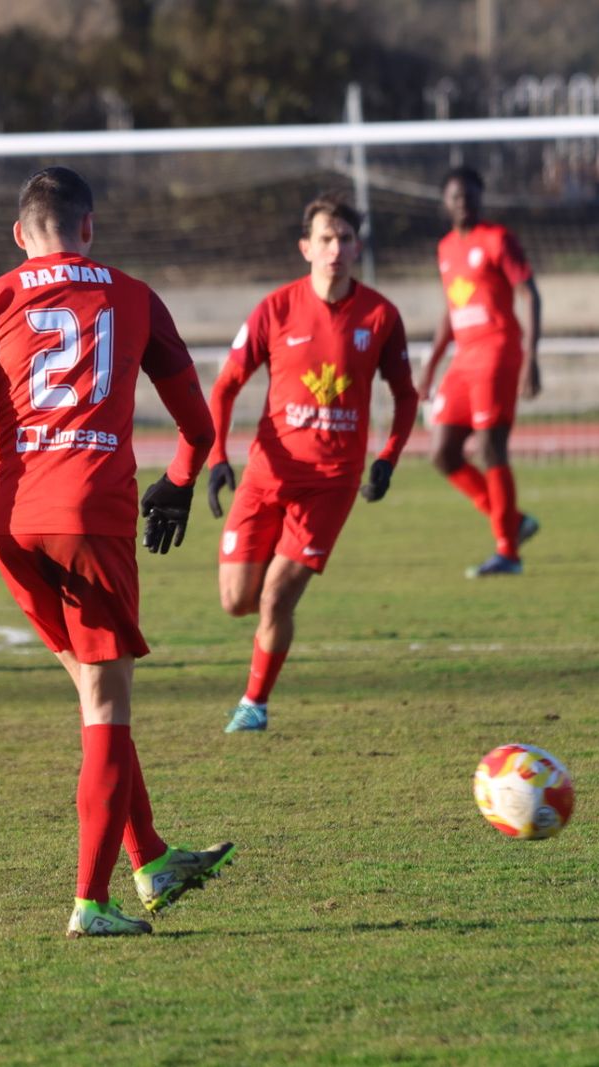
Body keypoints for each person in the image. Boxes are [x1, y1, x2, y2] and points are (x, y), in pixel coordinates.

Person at [0, 166, 234, 939]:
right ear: (88, 227)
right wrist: (182, 480)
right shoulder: (133, 296)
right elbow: (200, 422)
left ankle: (152, 855)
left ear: (20, 236)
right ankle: (91, 902)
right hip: (92, 514)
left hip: (13, 525)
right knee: (107, 705)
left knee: (96, 697)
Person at [206, 196, 418, 734]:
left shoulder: (380, 316)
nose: (336, 249)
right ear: (306, 248)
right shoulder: (275, 309)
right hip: (265, 476)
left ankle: (254, 704)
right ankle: (267, 642)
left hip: (330, 485)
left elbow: (406, 395)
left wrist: (387, 458)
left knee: (276, 597)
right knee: (237, 602)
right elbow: (225, 387)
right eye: (326, 239)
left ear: (357, 247)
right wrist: (217, 459)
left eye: (345, 239)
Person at [415, 166, 542, 578]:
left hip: (499, 352)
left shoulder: (498, 240)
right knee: (443, 453)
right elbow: (450, 312)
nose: (463, 202)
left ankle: (508, 552)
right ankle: (513, 522)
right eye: (456, 197)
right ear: (445, 203)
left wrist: (531, 357)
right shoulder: (445, 248)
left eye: (470, 196)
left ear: (480, 199)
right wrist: (431, 365)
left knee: (491, 448)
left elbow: (530, 293)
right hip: (463, 360)